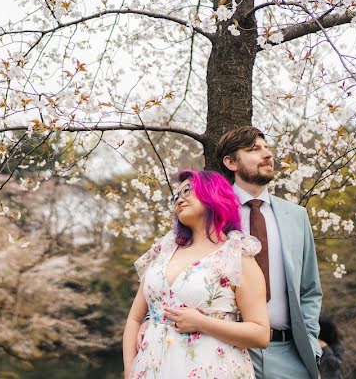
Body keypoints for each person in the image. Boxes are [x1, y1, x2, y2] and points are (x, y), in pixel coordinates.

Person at [123, 169, 270, 378]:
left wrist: (202, 323)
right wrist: (130, 369)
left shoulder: (237, 256)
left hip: (213, 369)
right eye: (176, 195)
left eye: (187, 191)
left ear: (213, 193)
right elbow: (134, 319)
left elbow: (260, 334)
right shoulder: (163, 250)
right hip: (151, 370)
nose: (179, 199)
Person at [216, 126, 323, 379]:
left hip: (290, 354)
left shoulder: (297, 216)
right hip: (228, 351)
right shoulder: (213, 216)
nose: (267, 154)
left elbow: (309, 288)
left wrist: (311, 345)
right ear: (231, 162)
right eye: (254, 150)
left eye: (266, 148)